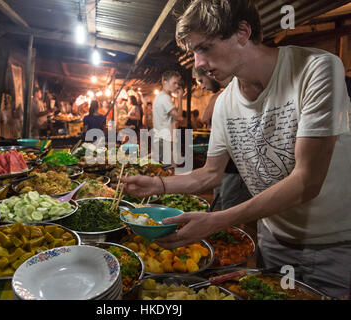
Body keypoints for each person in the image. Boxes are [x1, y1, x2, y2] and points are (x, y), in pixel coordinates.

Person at [121, 0, 351, 298]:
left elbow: (307, 181)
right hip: (273, 242)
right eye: (193, 53)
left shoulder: (314, 70)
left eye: (204, 48)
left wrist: (218, 220)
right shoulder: (225, 104)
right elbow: (211, 174)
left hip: (332, 246)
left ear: (243, 32)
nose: (198, 63)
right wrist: (158, 184)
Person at [193, 67, 252, 210]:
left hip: (236, 168)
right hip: (224, 165)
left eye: (201, 80)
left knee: (230, 210)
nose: (201, 86)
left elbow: (205, 117)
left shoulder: (231, 94)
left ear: (210, 72)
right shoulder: (225, 95)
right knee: (219, 205)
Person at [152, 70, 184, 164]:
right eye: (174, 83)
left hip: (161, 138)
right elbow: (179, 117)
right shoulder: (165, 98)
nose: (177, 86)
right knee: (169, 170)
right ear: (165, 82)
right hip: (165, 139)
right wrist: (180, 98)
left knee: (164, 169)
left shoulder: (160, 97)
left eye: (178, 83)